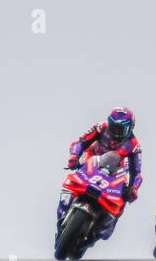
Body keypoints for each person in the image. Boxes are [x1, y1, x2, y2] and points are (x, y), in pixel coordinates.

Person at [58, 106, 143, 249]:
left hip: (115, 171)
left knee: (122, 200)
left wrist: (133, 188)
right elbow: (81, 142)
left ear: (130, 128)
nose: (115, 131)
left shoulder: (134, 146)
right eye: (113, 126)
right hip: (91, 160)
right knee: (71, 179)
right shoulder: (100, 128)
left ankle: (101, 231)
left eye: (120, 129)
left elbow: (137, 173)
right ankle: (63, 210)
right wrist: (74, 156)